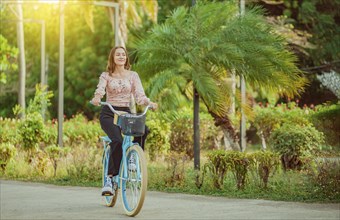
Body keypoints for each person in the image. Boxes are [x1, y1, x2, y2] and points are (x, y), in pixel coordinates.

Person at [91, 46, 157, 196]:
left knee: (143, 130)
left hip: (125, 113)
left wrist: (148, 103)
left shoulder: (133, 75)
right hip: (109, 113)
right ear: (112, 58)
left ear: (126, 58)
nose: (121, 57)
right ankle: (109, 180)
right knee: (117, 140)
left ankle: (133, 157)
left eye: (123, 54)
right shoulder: (106, 75)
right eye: (117, 54)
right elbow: (100, 89)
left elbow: (139, 95)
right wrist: (97, 97)